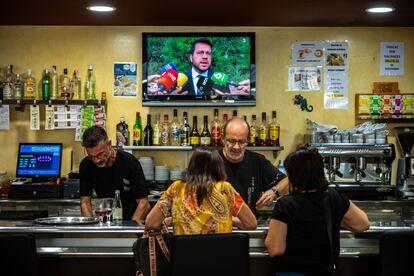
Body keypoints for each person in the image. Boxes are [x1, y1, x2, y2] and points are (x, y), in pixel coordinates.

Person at [265, 148, 370, 276]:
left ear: (295, 175)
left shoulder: (286, 204)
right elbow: (362, 224)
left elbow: (275, 249)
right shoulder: (333, 197)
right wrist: (333, 220)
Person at [145, 147, 257, 234]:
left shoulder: (176, 188)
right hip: (220, 259)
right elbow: (251, 224)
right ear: (218, 166)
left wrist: (175, 218)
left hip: (184, 260)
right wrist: (231, 219)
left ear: (192, 166)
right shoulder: (225, 189)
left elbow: (151, 223)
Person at [79, 126, 150, 222]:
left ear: (109, 144)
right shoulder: (86, 165)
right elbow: (85, 202)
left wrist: (130, 229)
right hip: (105, 221)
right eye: (92, 156)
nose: (96, 160)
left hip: (131, 219)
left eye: (100, 154)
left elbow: (144, 203)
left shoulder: (129, 162)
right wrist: (90, 226)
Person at [219, 117, 289, 211]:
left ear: (248, 140)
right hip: (216, 224)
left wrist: (274, 192)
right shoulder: (210, 161)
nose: (236, 147)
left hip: (248, 224)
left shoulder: (257, 161)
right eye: (231, 141)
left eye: (241, 141)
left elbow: (287, 181)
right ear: (223, 139)